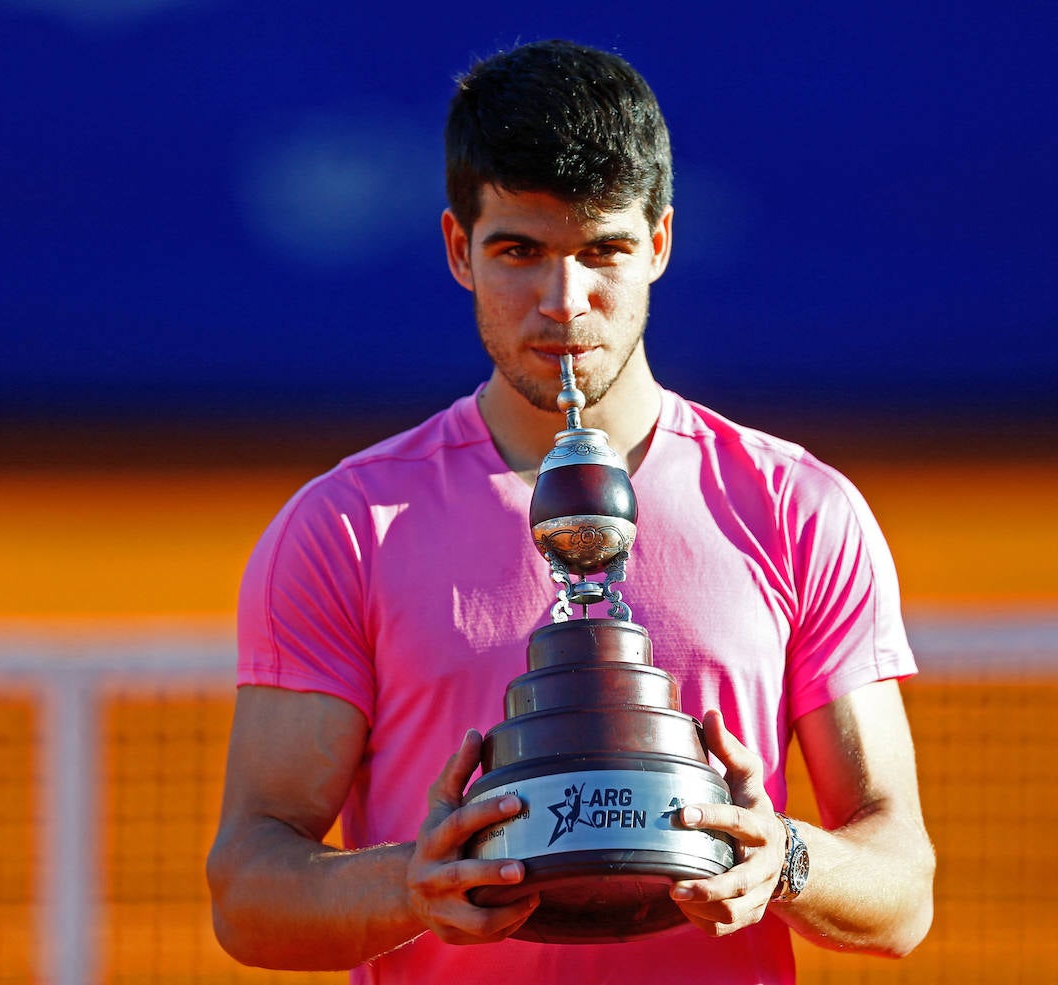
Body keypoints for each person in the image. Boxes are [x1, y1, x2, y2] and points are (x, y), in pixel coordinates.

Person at [206, 38, 934, 985]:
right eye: (520, 250)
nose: (565, 301)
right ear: (458, 249)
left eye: (604, 251)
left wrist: (783, 858)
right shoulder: (347, 528)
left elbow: (902, 887)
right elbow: (248, 889)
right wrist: (410, 886)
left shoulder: (799, 510)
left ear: (660, 244)